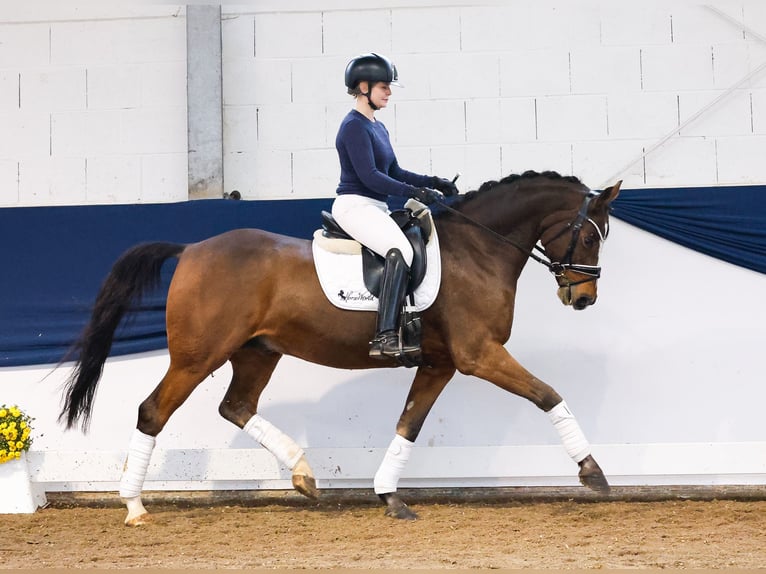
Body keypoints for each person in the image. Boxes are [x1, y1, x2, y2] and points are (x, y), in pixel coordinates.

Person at [331, 52, 458, 360]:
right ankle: (385, 335)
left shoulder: (377, 127)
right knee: (399, 249)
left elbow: (394, 172)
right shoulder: (353, 127)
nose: (388, 93)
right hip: (355, 205)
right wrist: (415, 192)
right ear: (363, 87)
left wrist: (433, 181)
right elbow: (371, 177)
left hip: (375, 207)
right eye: (384, 87)